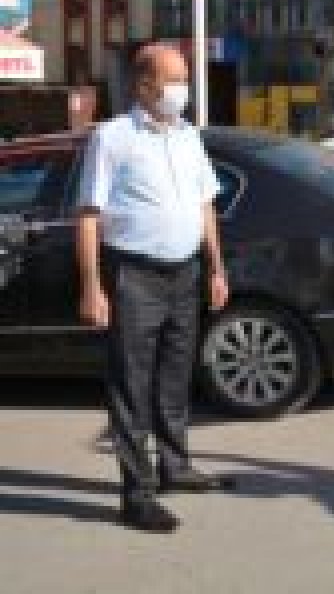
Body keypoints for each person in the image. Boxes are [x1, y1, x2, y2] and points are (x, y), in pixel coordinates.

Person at [77, 42, 232, 533]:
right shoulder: (112, 138)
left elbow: (205, 205)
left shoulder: (188, 137)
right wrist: (92, 287)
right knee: (132, 384)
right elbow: (89, 215)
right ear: (144, 85)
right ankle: (136, 496)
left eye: (185, 79)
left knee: (175, 375)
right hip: (134, 276)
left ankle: (174, 465)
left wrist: (216, 268)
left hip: (185, 273)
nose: (183, 89)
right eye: (175, 80)